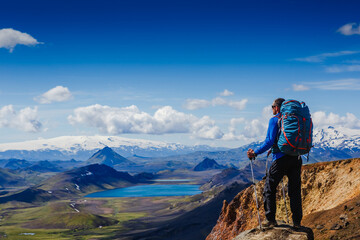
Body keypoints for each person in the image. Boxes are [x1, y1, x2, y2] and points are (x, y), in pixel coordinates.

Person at [247, 98, 303, 229]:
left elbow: (269, 140)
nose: (271, 109)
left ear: (277, 108)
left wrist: (255, 152)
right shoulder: (295, 120)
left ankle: (270, 220)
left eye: (272, 106)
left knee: (269, 189)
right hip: (296, 158)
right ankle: (297, 222)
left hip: (281, 159)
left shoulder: (274, 120)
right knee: (294, 191)